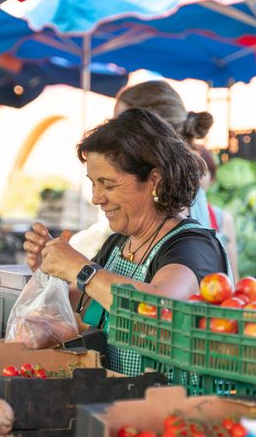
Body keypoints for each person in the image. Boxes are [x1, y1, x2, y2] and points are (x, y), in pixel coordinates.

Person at [24, 108, 229, 375]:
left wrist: (80, 269)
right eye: (93, 184)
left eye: (108, 185)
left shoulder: (191, 246)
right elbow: (86, 302)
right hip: (114, 403)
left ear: (154, 180)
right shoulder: (118, 244)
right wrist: (52, 273)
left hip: (168, 409)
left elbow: (159, 310)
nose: (97, 198)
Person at [113, 80, 215, 227]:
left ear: (149, 130)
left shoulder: (164, 190)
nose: (112, 132)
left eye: (119, 124)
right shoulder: (186, 180)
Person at [197, 146, 239, 281]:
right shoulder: (165, 217)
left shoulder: (223, 218)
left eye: (201, 170)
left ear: (212, 178)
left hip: (213, 294)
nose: (194, 176)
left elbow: (233, 272)